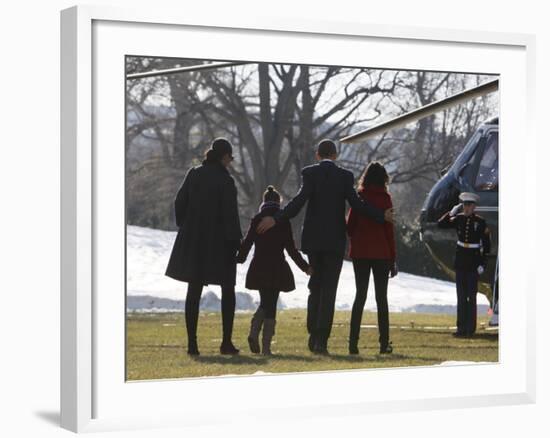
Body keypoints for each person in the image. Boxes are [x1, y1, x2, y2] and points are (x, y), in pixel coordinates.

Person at [256, 139, 394, 355]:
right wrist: (381, 216)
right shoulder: (345, 177)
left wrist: (277, 218)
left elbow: (299, 201)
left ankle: (313, 333)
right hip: (335, 242)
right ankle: (322, 339)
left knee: (315, 287)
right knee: (329, 290)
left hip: (314, 241)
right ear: (336, 155)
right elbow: (357, 205)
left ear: (318, 155)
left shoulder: (310, 174)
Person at [165, 138, 242, 356]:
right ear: (224, 156)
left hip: (195, 240)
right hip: (220, 243)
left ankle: (192, 344)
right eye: (230, 158)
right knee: (228, 290)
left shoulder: (194, 173)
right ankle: (226, 342)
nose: (230, 162)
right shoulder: (226, 181)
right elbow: (230, 215)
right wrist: (236, 243)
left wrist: (186, 226)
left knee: (194, 291)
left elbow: (179, 202)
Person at [236, 186, 312, 355]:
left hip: (259, 267)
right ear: (279, 202)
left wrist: (238, 259)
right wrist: (305, 267)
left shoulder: (257, 219)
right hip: (277, 268)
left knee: (265, 301)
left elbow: (247, 243)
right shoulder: (283, 221)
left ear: (263, 202)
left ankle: (254, 333)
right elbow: (291, 250)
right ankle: (265, 347)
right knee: (271, 304)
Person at [346, 162, 398, 355]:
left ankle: (353, 343)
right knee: (381, 299)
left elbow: (349, 227)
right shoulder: (386, 199)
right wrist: (393, 258)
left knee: (360, 297)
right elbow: (389, 230)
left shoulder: (359, 198)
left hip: (360, 252)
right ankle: (384, 344)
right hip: (382, 253)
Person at [437, 192, 491, 337]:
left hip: (473, 262)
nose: (466, 208)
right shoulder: (459, 219)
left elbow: (486, 246)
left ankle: (470, 328)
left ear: (474, 206)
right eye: (465, 205)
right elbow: (440, 224)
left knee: (471, 297)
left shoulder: (480, 222)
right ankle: (461, 328)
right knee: (461, 296)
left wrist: (483, 264)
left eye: (469, 205)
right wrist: (451, 212)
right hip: (461, 261)